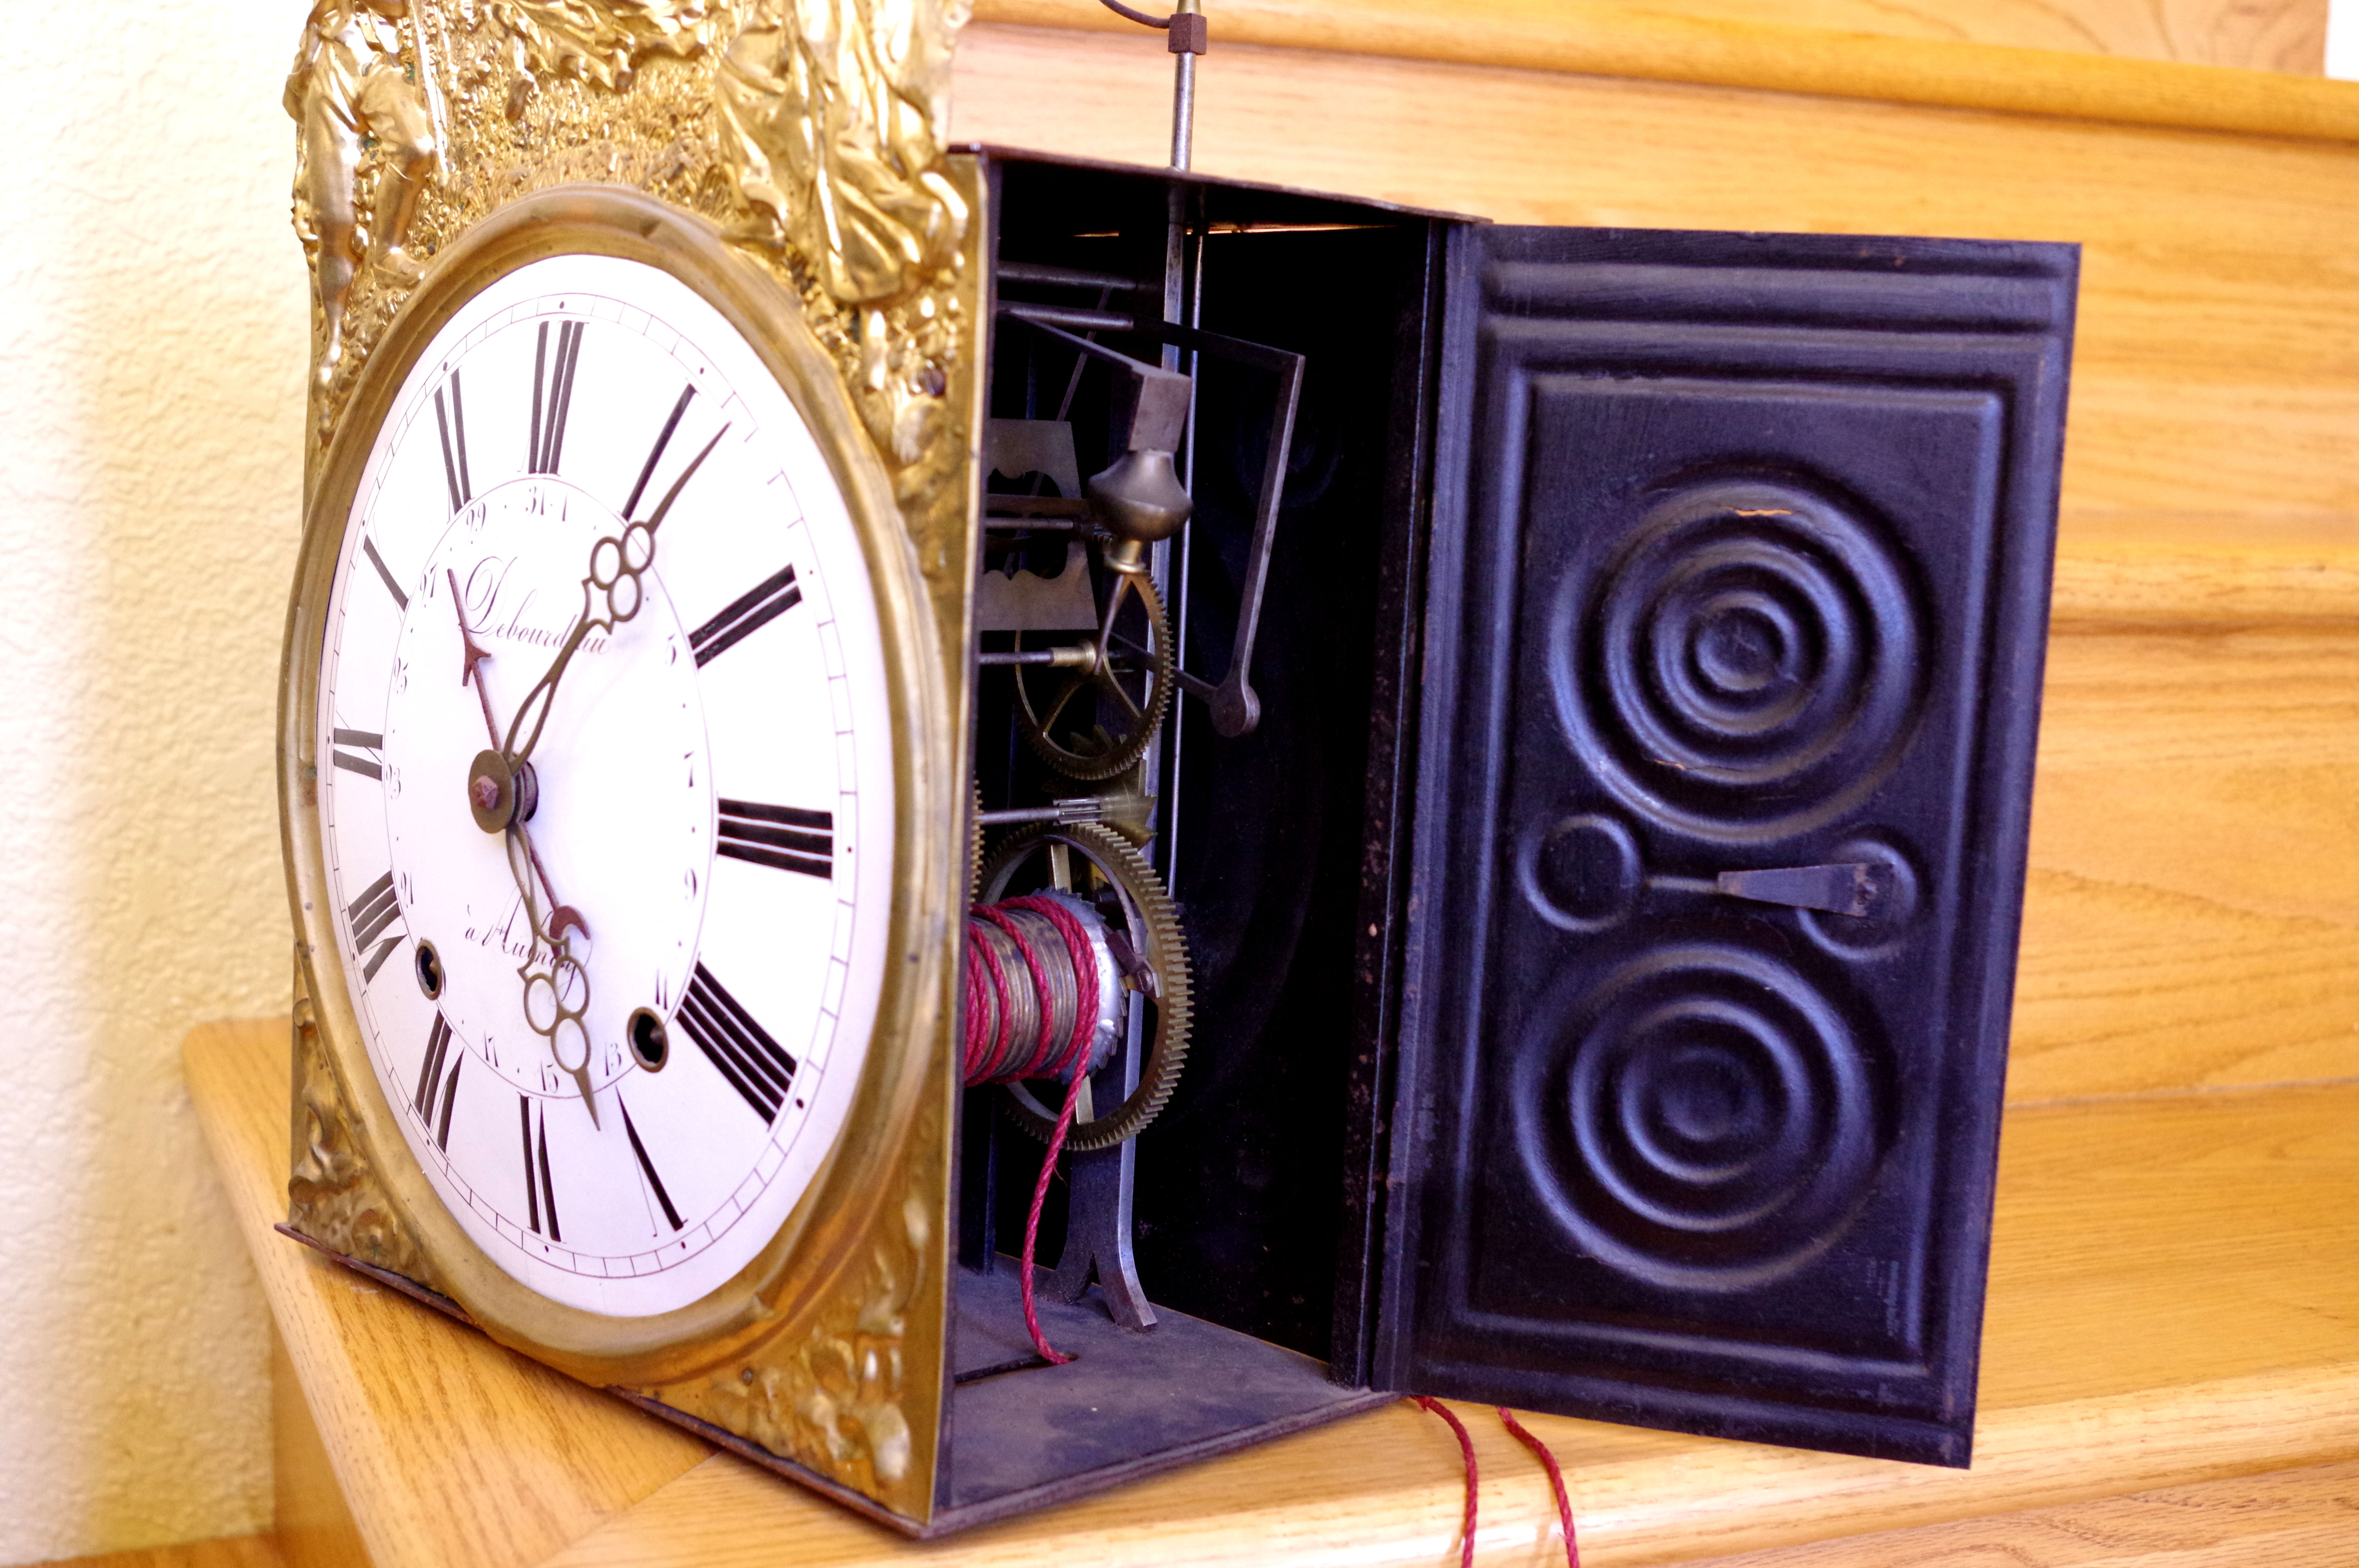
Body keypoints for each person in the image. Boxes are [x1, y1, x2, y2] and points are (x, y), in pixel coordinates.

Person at [286, 0, 439, 390]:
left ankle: (387, 250)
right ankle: (336, 340)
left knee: (417, 147)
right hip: (340, 53)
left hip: (385, 54)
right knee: (334, 219)